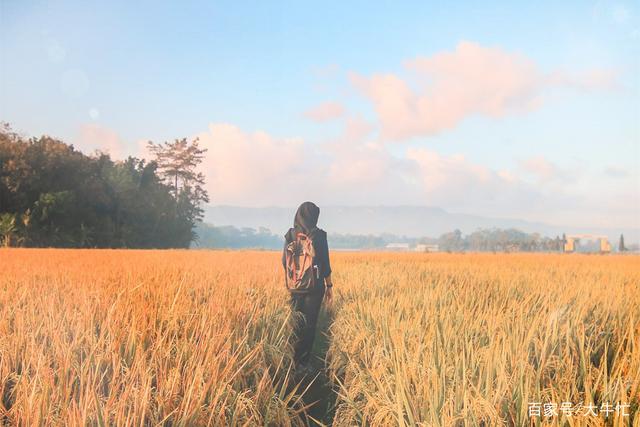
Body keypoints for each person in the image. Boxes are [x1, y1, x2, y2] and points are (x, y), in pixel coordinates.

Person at [282, 201, 333, 368]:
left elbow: (284, 261)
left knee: (296, 322)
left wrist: (294, 277)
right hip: (314, 287)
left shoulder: (290, 234)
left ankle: (291, 358)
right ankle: (303, 362)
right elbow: (325, 263)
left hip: (295, 286)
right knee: (310, 324)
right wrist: (329, 286)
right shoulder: (318, 236)